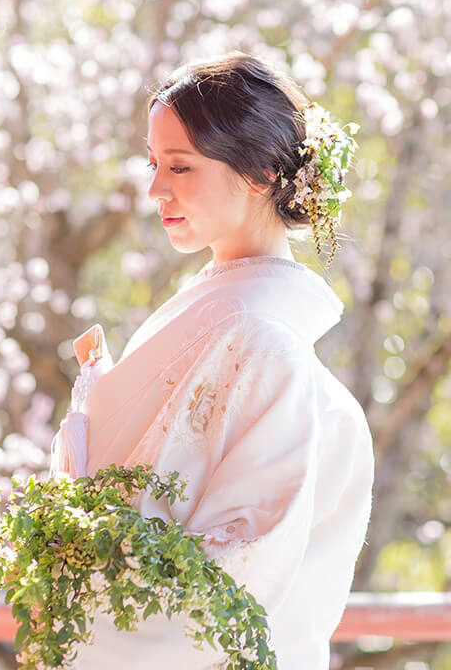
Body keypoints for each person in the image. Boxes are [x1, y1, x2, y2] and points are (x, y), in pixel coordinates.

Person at [48, 52, 374, 670]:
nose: (154, 188)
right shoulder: (227, 319)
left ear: (259, 173)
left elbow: (236, 568)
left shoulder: (260, 340)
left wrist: (86, 572)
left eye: (180, 165)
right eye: (154, 163)